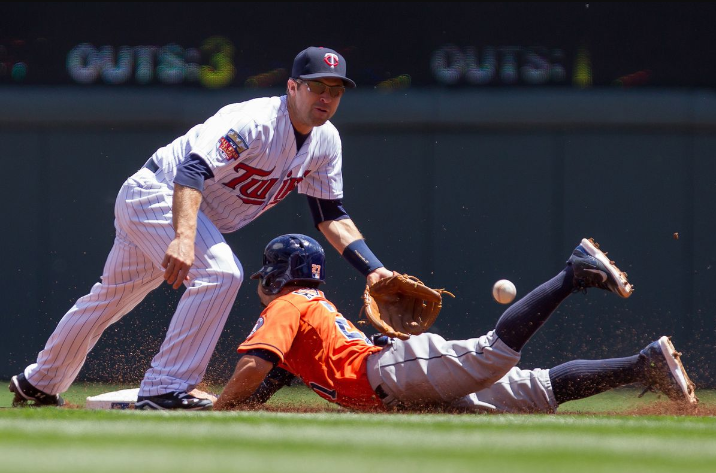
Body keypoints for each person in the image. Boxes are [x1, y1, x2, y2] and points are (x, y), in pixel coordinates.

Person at [8, 46, 393, 410]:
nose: (326, 96)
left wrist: (374, 269)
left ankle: (39, 382)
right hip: (158, 193)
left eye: (335, 90)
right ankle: (165, 386)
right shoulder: (255, 122)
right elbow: (191, 170)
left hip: (177, 208)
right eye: (316, 86)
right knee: (220, 273)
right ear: (292, 87)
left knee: (110, 298)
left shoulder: (326, 141)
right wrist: (183, 237)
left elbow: (329, 213)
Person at [213, 234, 698, 413]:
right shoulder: (312, 306)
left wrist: (216, 412)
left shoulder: (285, 305)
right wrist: (232, 404)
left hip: (393, 375)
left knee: (491, 354)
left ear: (274, 276)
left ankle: (574, 273)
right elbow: (265, 383)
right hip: (398, 383)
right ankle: (645, 365)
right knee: (535, 392)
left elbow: (255, 368)